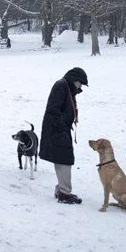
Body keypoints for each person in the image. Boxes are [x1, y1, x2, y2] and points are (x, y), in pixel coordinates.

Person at [39, 67, 88, 204]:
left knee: (62, 159)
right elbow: (53, 110)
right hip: (57, 130)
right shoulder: (61, 86)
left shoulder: (67, 87)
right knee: (65, 160)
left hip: (59, 129)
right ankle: (64, 193)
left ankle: (61, 189)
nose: (80, 87)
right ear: (75, 80)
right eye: (80, 83)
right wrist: (63, 123)